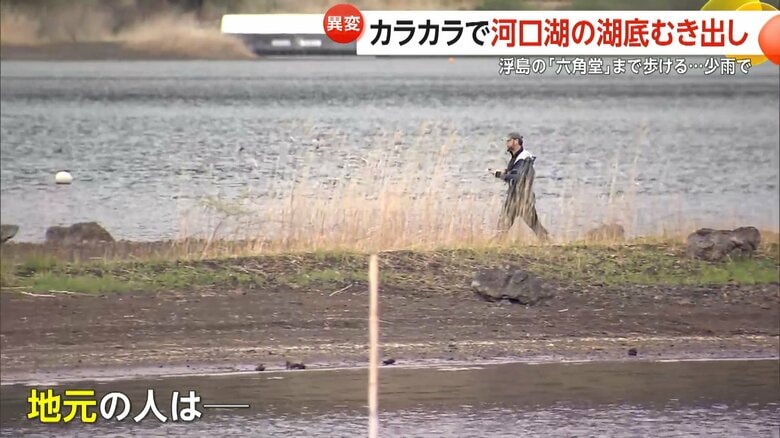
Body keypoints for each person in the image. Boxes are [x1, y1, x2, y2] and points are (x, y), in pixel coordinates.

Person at [491, 132, 549, 241]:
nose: (506, 143)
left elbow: (518, 177)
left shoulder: (524, 158)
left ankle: (496, 246)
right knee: (504, 227)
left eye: (509, 141)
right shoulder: (518, 158)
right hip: (518, 197)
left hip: (521, 199)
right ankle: (548, 243)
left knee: (504, 227)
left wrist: (502, 175)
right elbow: (515, 174)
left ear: (516, 141)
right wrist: (505, 172)